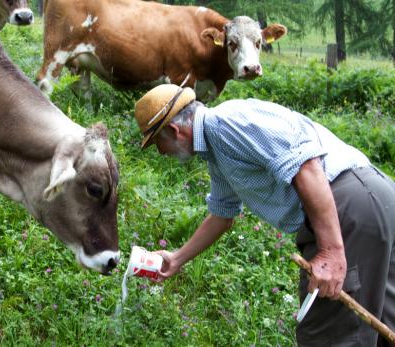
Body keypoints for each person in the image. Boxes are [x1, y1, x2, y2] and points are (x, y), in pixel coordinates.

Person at [133, 84, 395, 346]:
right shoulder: (216, 149)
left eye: (158, 143)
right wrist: (177, 259)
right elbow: (222, 215)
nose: (161, 153)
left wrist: (330, 250)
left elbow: (305, 165)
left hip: (348, 210)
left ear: (173, 130)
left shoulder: (227, 124)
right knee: (383, 327)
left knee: (331, 335)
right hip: (373, 201)